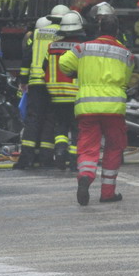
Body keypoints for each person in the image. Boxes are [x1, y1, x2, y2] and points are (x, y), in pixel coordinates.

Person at [59, 13, 137, 205]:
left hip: (88, 107)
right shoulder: (126, 54)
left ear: (99, 29)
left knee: (87, 146)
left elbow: (63, 64)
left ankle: (85, 175)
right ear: (117, 31)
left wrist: (78, 71)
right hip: (113, 108)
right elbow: (127, 81)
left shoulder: (82, 48)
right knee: (114, 147)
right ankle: (107, 193)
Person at [14, 5, 67, 170]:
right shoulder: (65, 34)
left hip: (36, 83)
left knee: (33, 120)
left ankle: (26, 159)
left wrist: (23, 79)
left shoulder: (37, 33)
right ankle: (46, 158)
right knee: (50, 120)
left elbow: (27, 58)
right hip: (54, 83)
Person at [46, 10, 87, 170]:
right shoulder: (81, 48)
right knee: (77, 129)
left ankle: (60, 155)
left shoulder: (52, 46)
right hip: (75, 95)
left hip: (56, 95)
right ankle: (74, 159)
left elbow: (45, 68)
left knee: (61, 128)